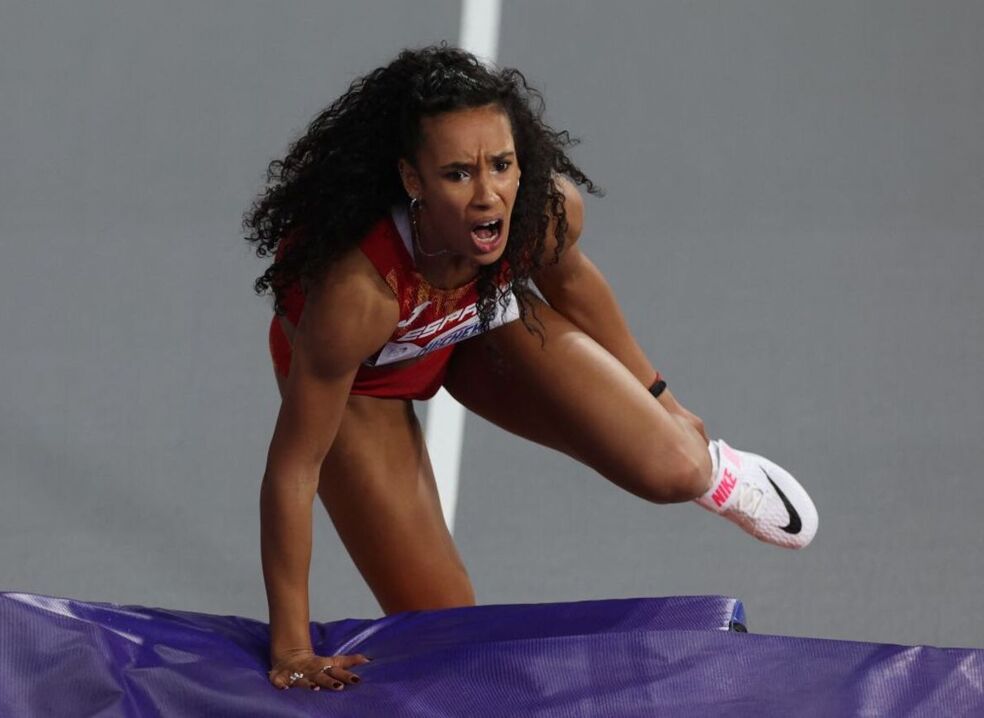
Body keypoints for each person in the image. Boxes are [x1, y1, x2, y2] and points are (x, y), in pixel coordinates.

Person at [243, 45, 817, 694]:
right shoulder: (359, 294)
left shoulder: (540, 212)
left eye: (501, 165)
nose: (488, 196)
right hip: (365, 383)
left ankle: (718, 469)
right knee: (449, 636)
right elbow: (294, 469)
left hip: (475, 326)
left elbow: (572, 286)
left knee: (676, 466)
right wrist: (290, 644)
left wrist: (663, 397)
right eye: (458, 173)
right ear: (413, 180)